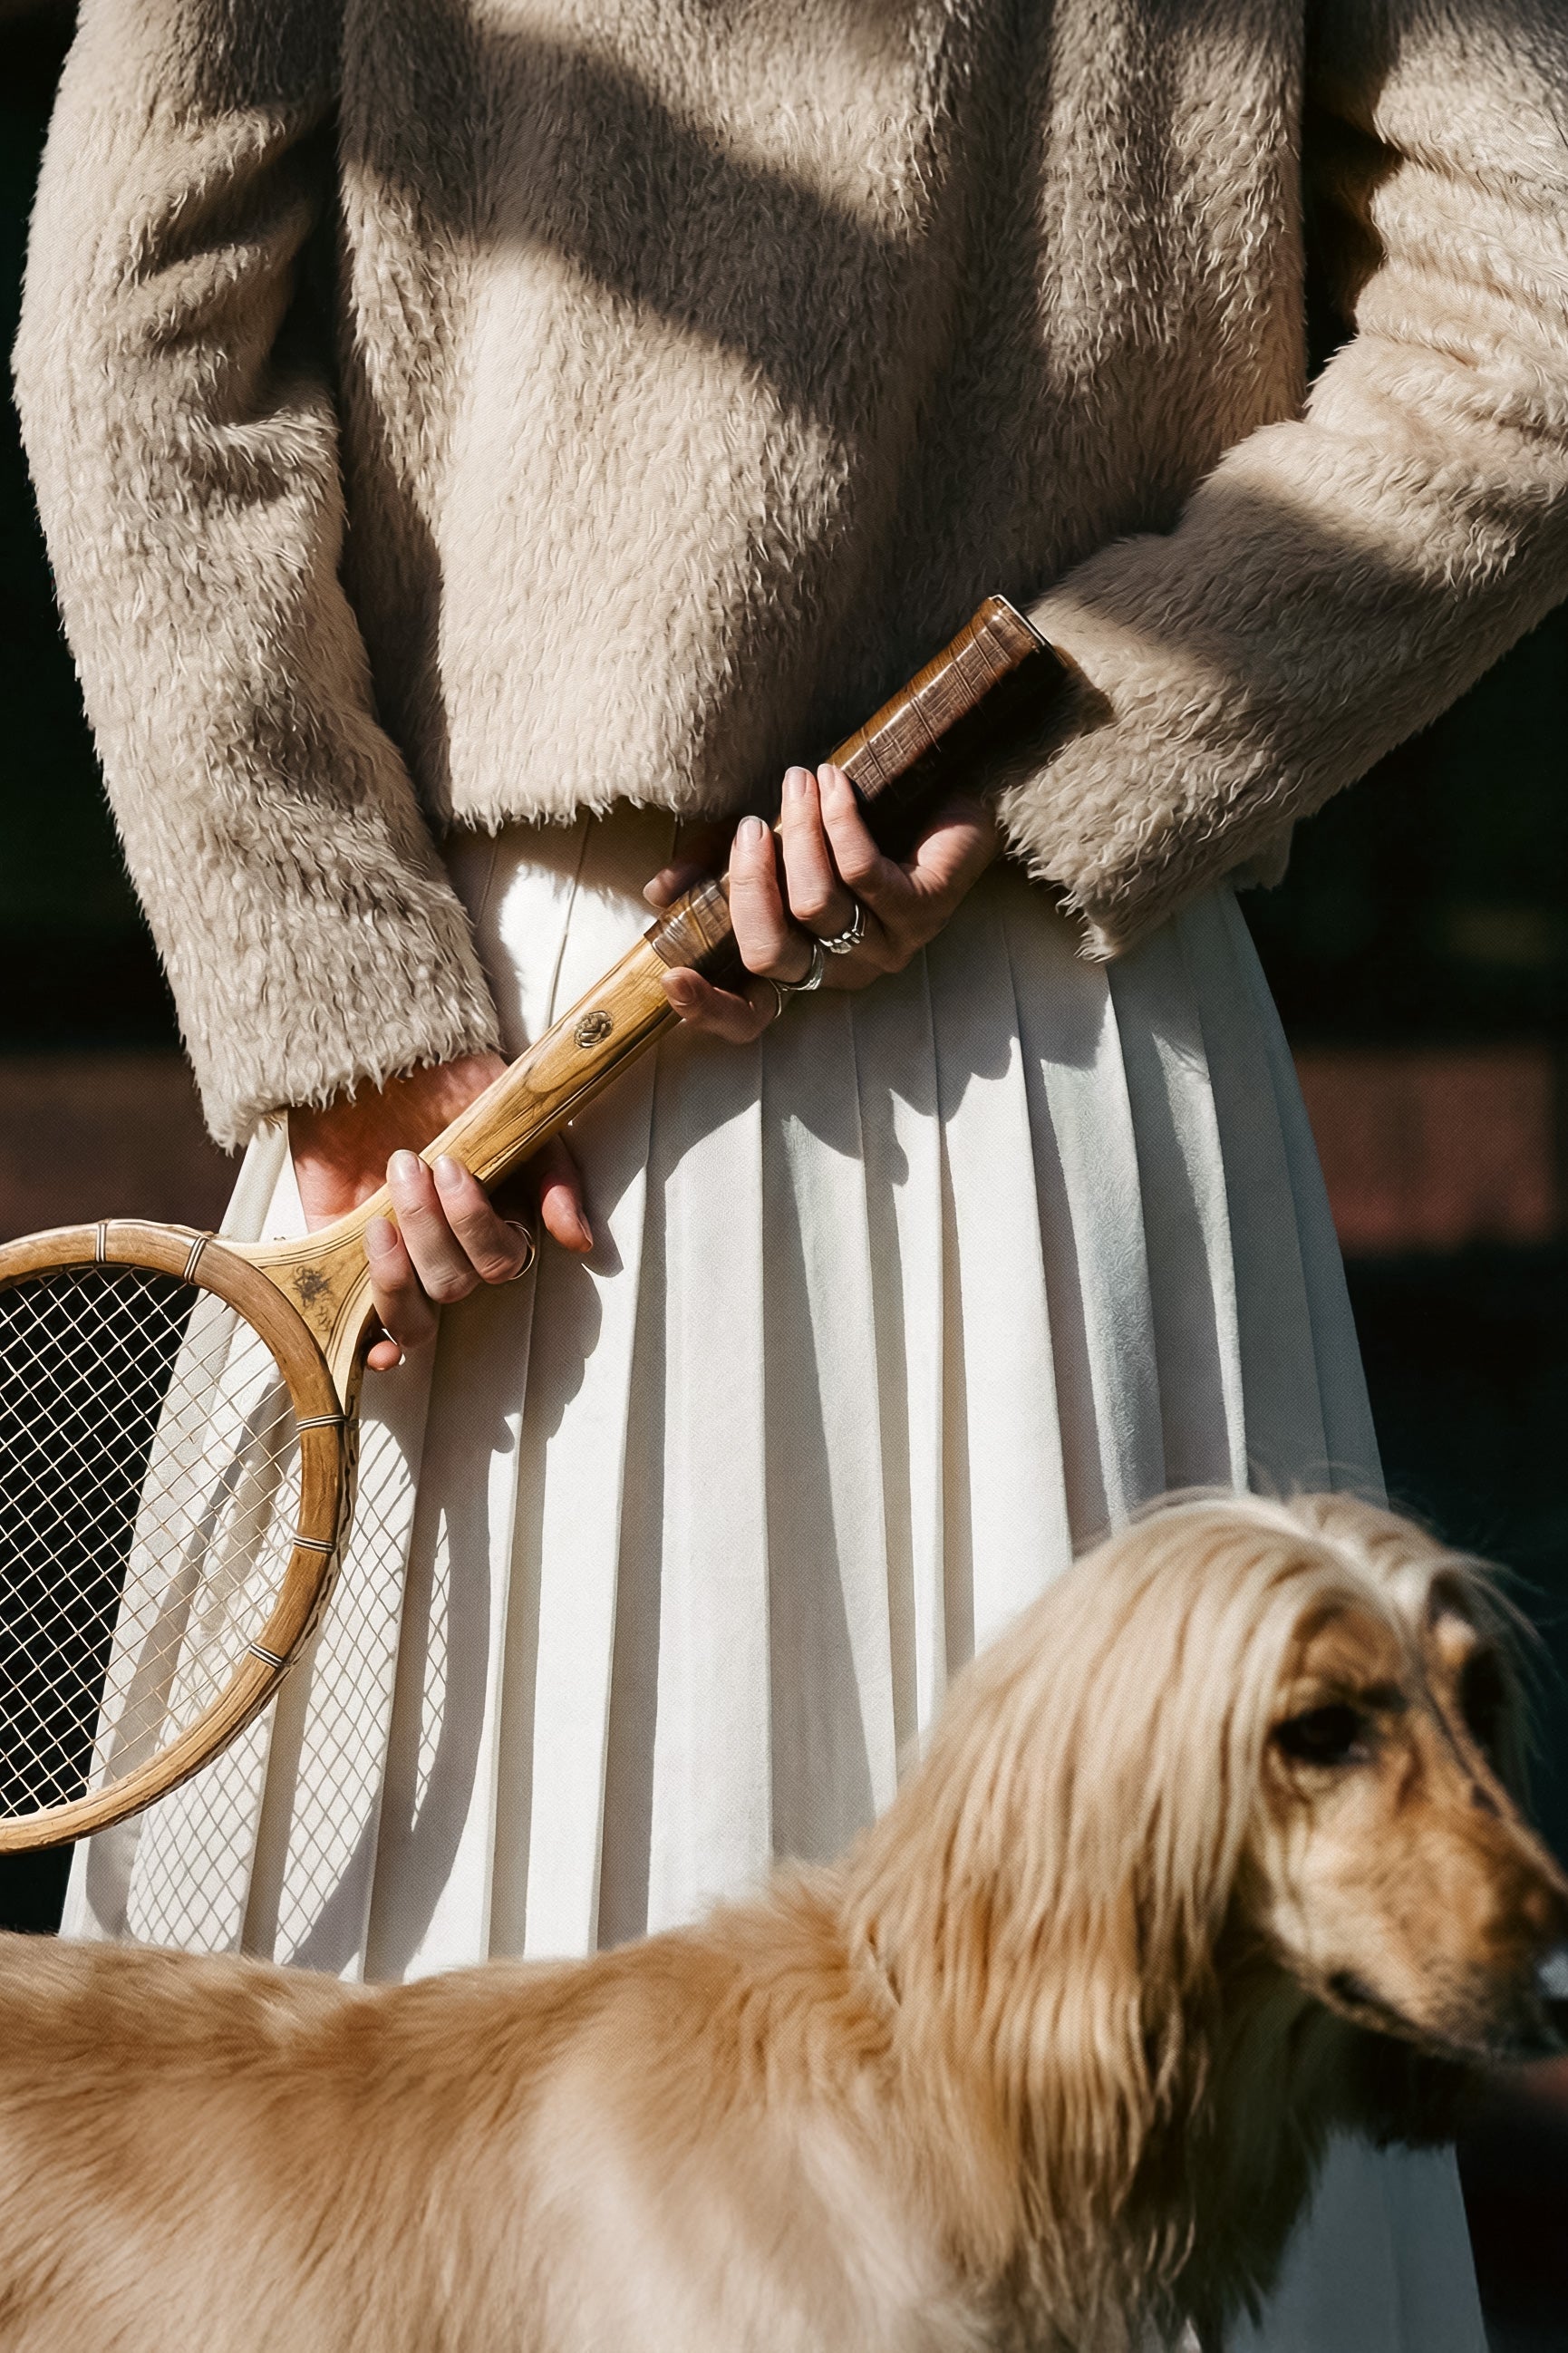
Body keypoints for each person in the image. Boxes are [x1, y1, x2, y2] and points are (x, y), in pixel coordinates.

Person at [16, 3, 1567, 2343]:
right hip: (863, 1060)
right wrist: (1109, 703)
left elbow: (129, 321)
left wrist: (339, 1001)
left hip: (521, 1062)